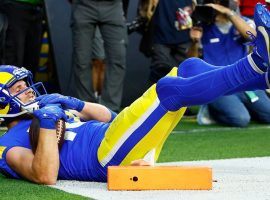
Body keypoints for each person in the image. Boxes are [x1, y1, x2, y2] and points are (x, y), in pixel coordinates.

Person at [0, 3, 269, 185]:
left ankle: (263, 77)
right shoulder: (9, 142)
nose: (27, 90)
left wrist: (75, 103)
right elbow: (45, 175)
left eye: (25, 85)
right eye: (18, 88)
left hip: (117, 137)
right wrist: (47, 124)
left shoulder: (45, 109)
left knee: (189, 67)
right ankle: (255, 64)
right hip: (104, 159)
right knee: (168, 91)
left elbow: (110, 115)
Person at [189, 1, 270, 127]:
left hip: (245, 84)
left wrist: (229, 13)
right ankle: (210, 110)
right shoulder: (202, 28)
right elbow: (191, 61)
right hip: (219, 85)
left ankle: (243, 107)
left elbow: (254, 38)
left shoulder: (243, 23)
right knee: (241, 119)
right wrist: (194, 42)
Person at [70, 0, 127, 112]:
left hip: (113, 6)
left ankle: (110, 110)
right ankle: (87, 108)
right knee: (81, 60)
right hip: (83, 5)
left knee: (118, 59)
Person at [0, 0, 44, 76]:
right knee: (13, 62)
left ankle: (28, 86)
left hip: (38, 8)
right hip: (13, 6)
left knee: (32, 61)